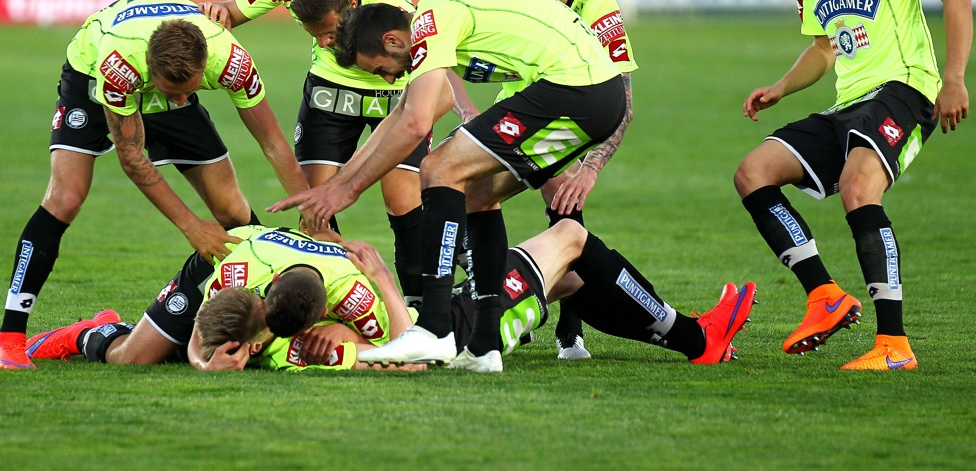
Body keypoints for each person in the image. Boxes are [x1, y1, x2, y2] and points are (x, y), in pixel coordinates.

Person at [270, 0, 627, 372]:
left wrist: (349, 191)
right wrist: (335, 186)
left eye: (381, 71)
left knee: (438, 168)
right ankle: (485, 346)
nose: (388, 79)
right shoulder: (430, 22)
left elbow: (416, 123)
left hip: (575, 88)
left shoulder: (430, 21)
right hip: (591, 92)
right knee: (475, 193)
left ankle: (433, 329)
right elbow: (402, 115)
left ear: (392, 41)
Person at [736, 0, 971, 371]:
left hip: (906, 90)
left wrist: (952, 79)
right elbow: (824, 48)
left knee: (859, 187)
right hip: (850, 104)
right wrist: (781, 87)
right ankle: (824, 296)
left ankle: (894, 346)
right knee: (753, 173)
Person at [0, 0, 310, 370]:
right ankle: (10, 338)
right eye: (173, 91)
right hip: (91, 76)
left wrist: (312, 211)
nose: (182, 100)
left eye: (190, 91)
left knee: (232, 210)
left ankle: (257, 326)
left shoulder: (231, 61)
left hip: (160, 75)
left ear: (203, 67)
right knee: (65, 197)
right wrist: (192, 226)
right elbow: (133, 157)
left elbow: (274, 143)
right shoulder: (120, 65)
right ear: (150, 66)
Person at [27, 223, 757, 373]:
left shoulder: (229, 266)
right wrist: (378, 290)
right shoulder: (352, 298)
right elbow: (419, 354)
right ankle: (695, 337)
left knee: (130, 356)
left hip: (222, 258)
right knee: (570, 239)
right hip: (471, 326)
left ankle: (98, 332)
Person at [199, 0, 430, 307]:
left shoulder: (393, 12)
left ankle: (421, 308)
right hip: (330, 89)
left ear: (354, 6)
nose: (323, 42)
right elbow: (228, 11)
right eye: (313, 34)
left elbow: (431, 63)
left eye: (329, 33)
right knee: (314, 203)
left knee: (402, 200)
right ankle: (333, 296)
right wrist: (214, 14)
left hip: (394, 87)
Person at [489, 0, 637, 360]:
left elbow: (623, 103)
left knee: (566, 209)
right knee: (451, 193)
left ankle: (569, 332)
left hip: (571, 117)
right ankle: (504, 301)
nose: (539, 4)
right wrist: (465, 113)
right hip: (514, 114)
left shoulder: (598, 6)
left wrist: (588, 168)